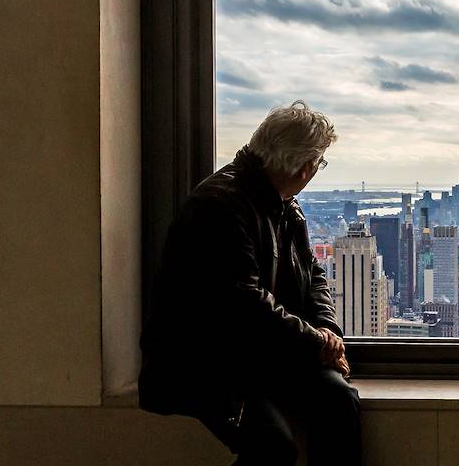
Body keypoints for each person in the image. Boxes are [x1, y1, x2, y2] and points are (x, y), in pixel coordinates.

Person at [139, 101, 360, 466]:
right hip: (206, 364)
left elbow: (312, 274)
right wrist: (317, 342)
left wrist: (326, 329)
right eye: (319, 162)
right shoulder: (218, 206)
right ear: (304, 166)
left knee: (340, 401)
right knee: (273, 448)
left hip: (261, 353)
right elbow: (242, 302)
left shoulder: (284, 204)